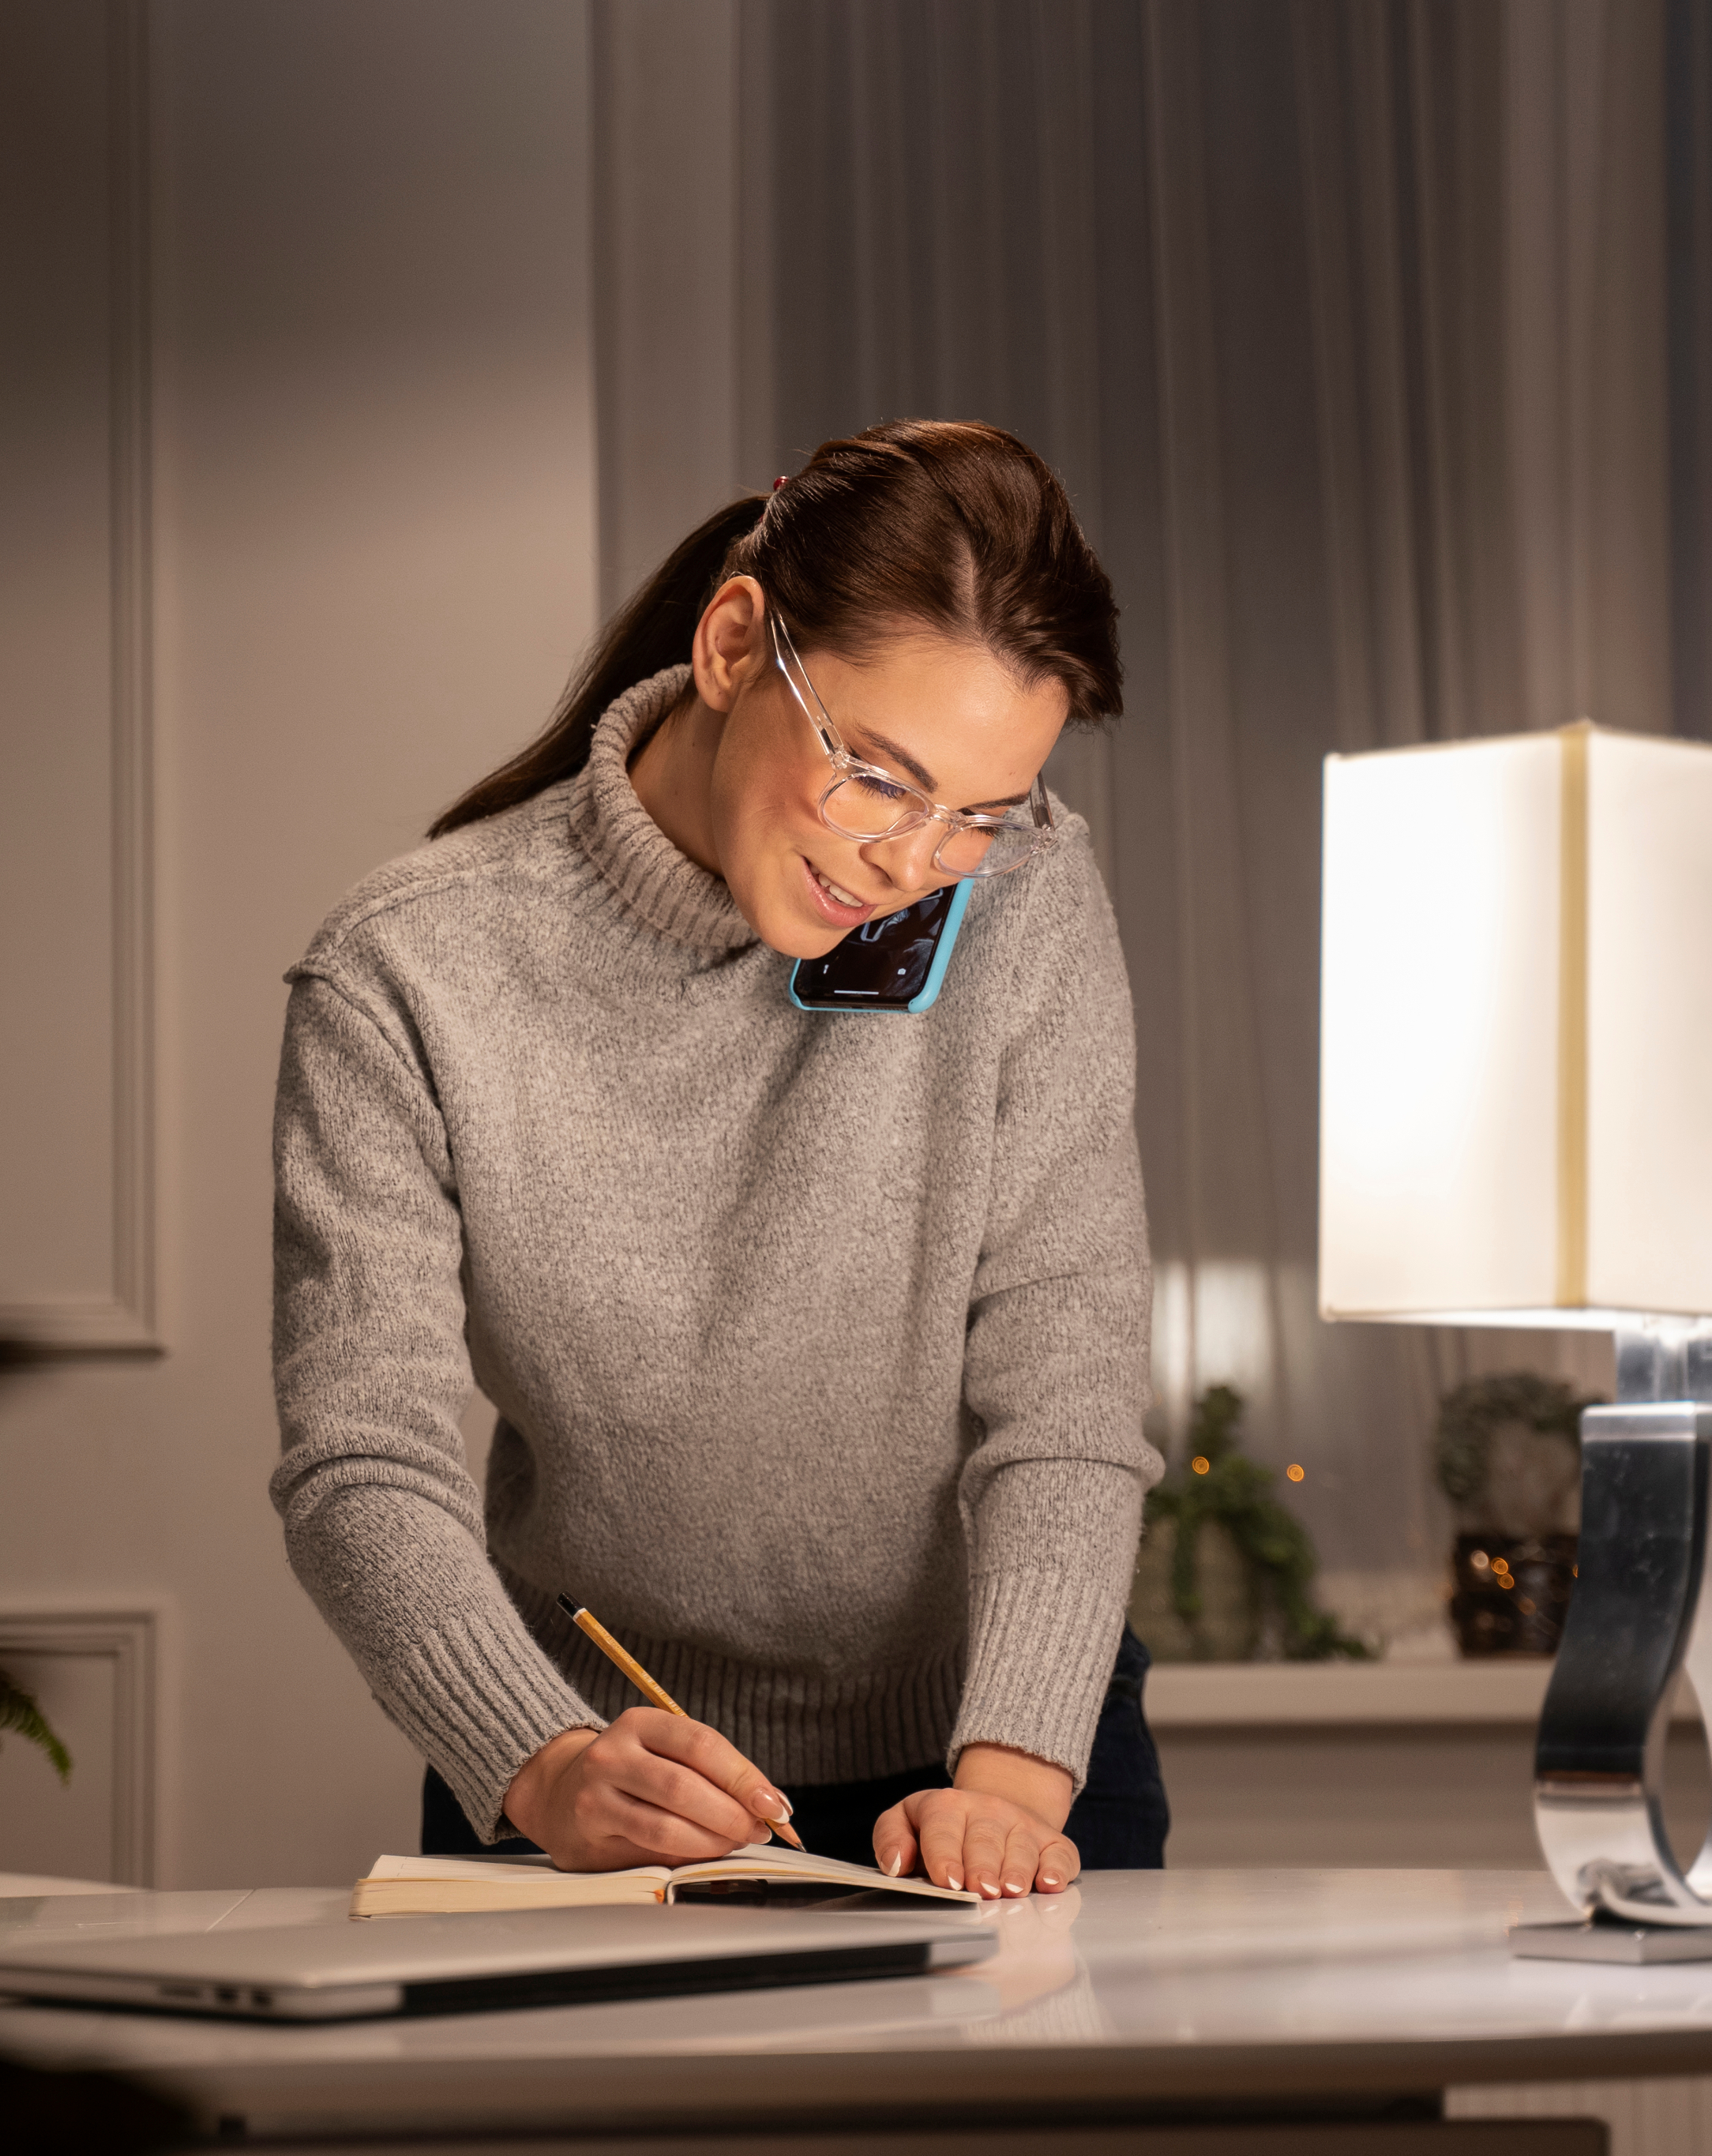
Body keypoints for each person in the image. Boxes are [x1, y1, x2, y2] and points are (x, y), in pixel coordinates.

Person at [271, 419, 1162, 1899]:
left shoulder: (1024, 905)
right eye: (878, 776)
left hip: (992, 1738)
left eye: (980, 815)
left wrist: (1005, 1780)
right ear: (738, 641)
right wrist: (540, 1760)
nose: (912, 861)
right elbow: (364, 1456)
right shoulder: (406, 969)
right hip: (591, 1763)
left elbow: (1064, 1397)